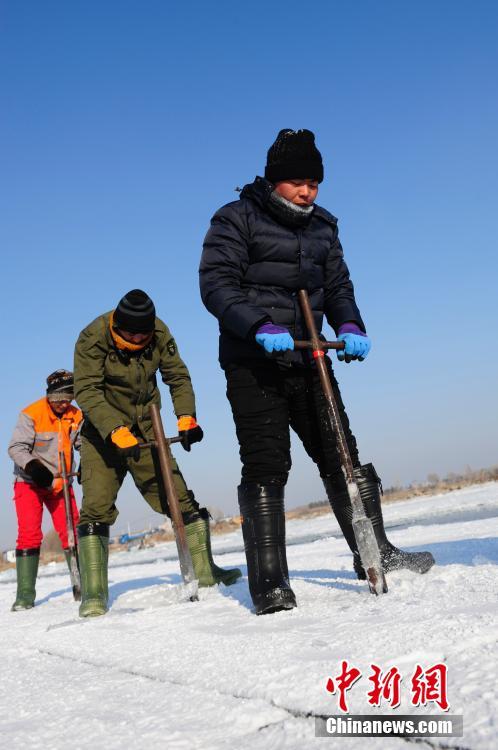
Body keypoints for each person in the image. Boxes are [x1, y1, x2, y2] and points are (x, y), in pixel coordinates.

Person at [200, 128, 435, 615]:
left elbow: (338, 285)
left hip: (310, 357)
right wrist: (258, 326)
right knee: (267, 464)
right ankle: (269, 582)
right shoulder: (236, 219)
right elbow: (217, 286)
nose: (307, 191)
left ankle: (376, 552)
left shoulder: (324, 226)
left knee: (340, 453)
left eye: (314, 182)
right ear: (273, 181)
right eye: (297, 182)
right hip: (254, 362)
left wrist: (349, 324)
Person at [73, 289, 241, 617]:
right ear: (115, 326)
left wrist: (187, 417)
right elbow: (87, 391)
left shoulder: (160, 332)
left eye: (142, 334)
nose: (137, 338)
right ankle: (93, 594)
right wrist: (113, 429)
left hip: (148, 424)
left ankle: (205, 572)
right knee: (96, 506)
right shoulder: (92, 337)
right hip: (101, 431)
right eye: (129, 333)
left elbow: (176, 376)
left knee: (178, 496)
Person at [8, 370, 82, 611]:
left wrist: (87, 464)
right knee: (29, 534)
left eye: (68, 398)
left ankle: (82, 585)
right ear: (49, 395)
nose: (64, 403)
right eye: (59, 398)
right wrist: (34, 467)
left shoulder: (76, 415)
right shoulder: (31, 414)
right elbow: (17, 448)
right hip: (30, 483)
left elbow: (84, 443)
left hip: (61, 483)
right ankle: (25, 596)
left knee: (72, 532)